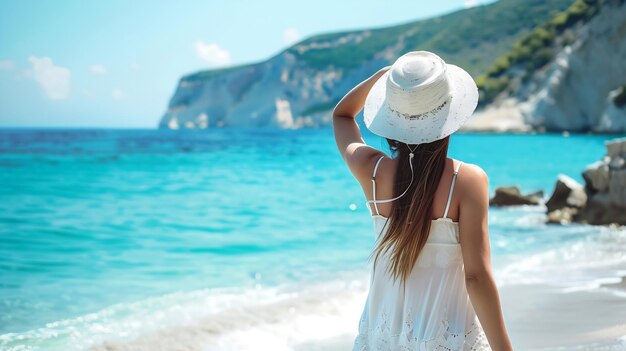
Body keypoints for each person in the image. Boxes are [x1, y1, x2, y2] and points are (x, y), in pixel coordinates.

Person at [332, 51, 513, 350]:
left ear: (391, 118)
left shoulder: (372, 172)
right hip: (447, 338)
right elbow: (477, 278)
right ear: (448, 117)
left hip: (382, 338)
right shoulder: (466, 181)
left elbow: (342, 115)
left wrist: (386, 76)